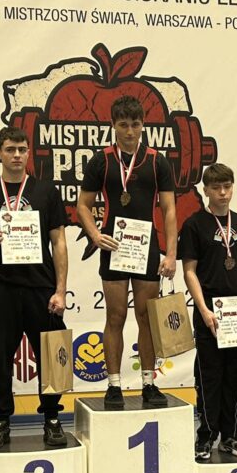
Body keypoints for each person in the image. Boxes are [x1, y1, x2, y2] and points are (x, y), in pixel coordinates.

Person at [0, 127, 68, 450]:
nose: (17, 155)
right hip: (0, 288)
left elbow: (59, 242)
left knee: (51, 355)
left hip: (41, 286)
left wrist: (61, 290)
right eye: (10, 149)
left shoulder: (46, 191)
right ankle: (0, 421)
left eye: (22, 149)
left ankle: (52, 418)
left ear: (28, 152)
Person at [77, 95, 177, 410]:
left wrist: (171, 254)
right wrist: (95, 235)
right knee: (115, 316)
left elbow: (169, 210)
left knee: (146, 318)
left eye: (135, 124)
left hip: (146, 249)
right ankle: (113, 385)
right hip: (114, 247)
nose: (130, 131)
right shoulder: (101, 161)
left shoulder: (157, 161)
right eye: (123, 125)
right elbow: (83, 205)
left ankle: (148, 383)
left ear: (143, 124)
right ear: (113, 125)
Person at [180, 163, 237, 460]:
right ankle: (206, 436)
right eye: (216, 188)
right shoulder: (194, 224)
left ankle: (231, 436)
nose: (223, 193)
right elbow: (189, 271)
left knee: (232, 377)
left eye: (227, 186)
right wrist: (203, 310)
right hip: (210, 313)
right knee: (209, 378)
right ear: (206, 190)